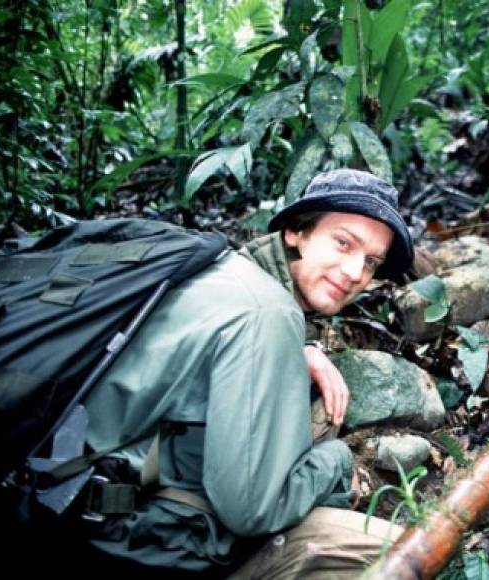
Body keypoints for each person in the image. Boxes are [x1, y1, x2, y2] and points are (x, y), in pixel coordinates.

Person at [72, 169, 414, 578]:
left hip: (76, 494)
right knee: (398, 551)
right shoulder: (268, 312)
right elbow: (250, 510)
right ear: (296, 232)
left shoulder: (219, 272)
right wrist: (339, 465)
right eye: (343, 243)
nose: (356, 272)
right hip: (135, 541)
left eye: (371, 261)